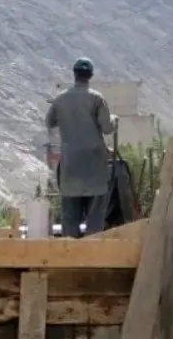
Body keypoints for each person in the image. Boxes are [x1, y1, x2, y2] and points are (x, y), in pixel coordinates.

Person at [45, 57, 116, 238]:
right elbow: (107, 128)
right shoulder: (97, 98)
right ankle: (92, 251)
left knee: (70, 220)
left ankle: (70, 252)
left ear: (74, 74)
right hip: (95, 169)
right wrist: (114, 120)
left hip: (70, 169)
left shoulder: (61, 99)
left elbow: (50, 122)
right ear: (90, 76)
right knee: (95, 220)